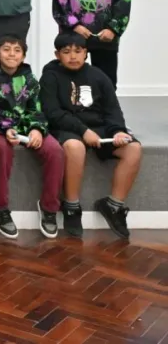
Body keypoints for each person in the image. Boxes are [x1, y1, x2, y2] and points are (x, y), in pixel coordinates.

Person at [40, 32, 142, 239]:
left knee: (133, 149)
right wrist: (83, 131)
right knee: (75, 148)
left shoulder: (98, 75)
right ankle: (71, 206)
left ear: (86, 53)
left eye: (78, 51)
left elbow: (112, 109)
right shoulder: (50, 76)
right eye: (66, 52)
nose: (73, 56)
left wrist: (118, 130)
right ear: (57, 54)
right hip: (67, 128)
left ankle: (113, 205)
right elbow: (53, 113)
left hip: (99, 129)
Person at [0, 35, 64, 239]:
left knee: (55, 151)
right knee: (1, 149)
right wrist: (5, 128)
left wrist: (36, 129)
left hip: (25, 128)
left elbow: (36, 109)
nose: (12, 54)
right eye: (6, 49)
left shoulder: (30, 78)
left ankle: (49, 208)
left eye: (17, 50)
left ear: (24, 55)